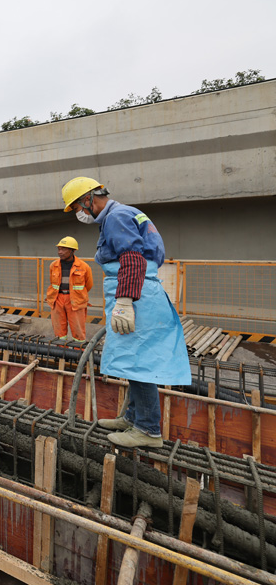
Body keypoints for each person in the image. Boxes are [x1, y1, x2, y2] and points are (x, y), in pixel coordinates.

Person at [61, 177, 191, 449]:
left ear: (89, 199)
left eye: (77, 207)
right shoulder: (126, 212)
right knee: (135, 358)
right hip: (141, 289)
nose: (79, 213)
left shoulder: (116, 217)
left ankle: (147, 430)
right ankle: (133, 418)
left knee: (139, 361)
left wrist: (124, 300)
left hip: (135, 292)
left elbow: (132, 258)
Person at [45, 236, 93, 341]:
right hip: (57, 299)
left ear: (72, 251)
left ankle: (78, 354)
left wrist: (77, 294)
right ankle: (61, 353)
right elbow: (53, 283)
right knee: (59, 331)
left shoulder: (84, 267)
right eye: (59, 249)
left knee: (78, 331)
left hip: (75, 301)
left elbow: (88, 285)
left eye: (63, 249)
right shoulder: (53, 265)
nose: (60, 252)